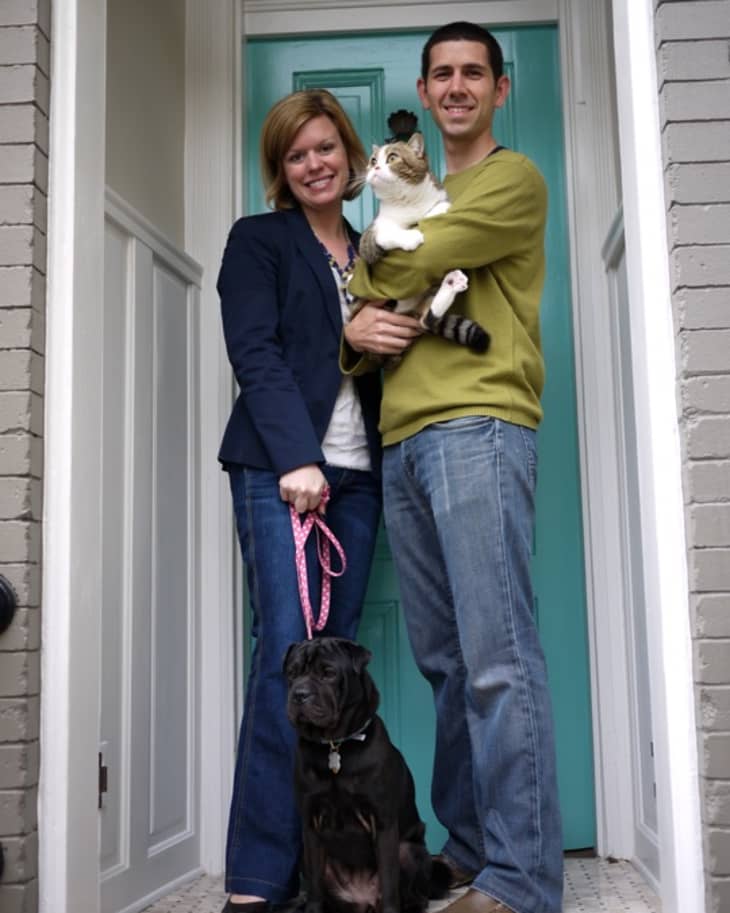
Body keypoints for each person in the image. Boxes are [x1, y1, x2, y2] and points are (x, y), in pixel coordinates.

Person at [343, 22, 563, 913]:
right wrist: (357, 324)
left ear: (499, 91)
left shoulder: (512, 180)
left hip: (480, 425)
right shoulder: (413, 192)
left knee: (496, 660)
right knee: (444, 662)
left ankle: (521, 881)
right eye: (444, 74)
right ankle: (471, 851)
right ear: (426, 93)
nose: (459, 86)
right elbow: (361, 324)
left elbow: (416, 256)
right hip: (404, 439)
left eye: (476, 72)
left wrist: (364, 276)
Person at [217, 89, 382, 913]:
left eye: (326, 147)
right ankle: (255, 884)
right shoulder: (261, 242)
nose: (315, 163)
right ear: (281, 171)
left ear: (349, 155)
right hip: (286, 473)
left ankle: (324, 880)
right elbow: (254, 349)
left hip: (360, 480)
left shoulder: (377, 250)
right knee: (287, 656)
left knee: (338, 671)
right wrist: (297, 457)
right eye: (296, 154)